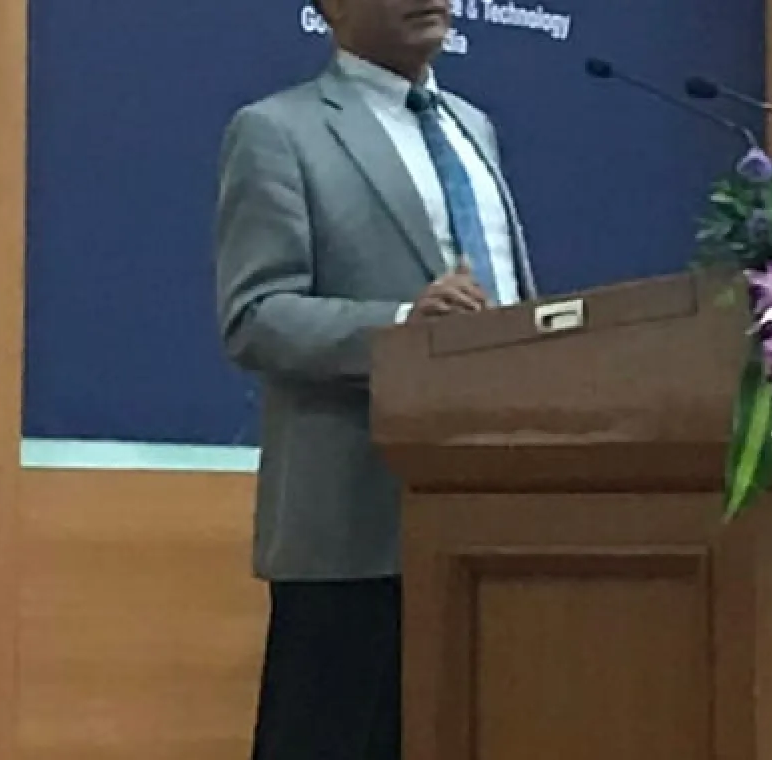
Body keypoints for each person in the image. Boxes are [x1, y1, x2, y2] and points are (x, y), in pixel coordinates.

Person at [212, 1, 534, 758]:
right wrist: (401, 326)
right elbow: (255, 315)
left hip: (489, 511)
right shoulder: (278, 130)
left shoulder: (473, 127)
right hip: (354, 525)